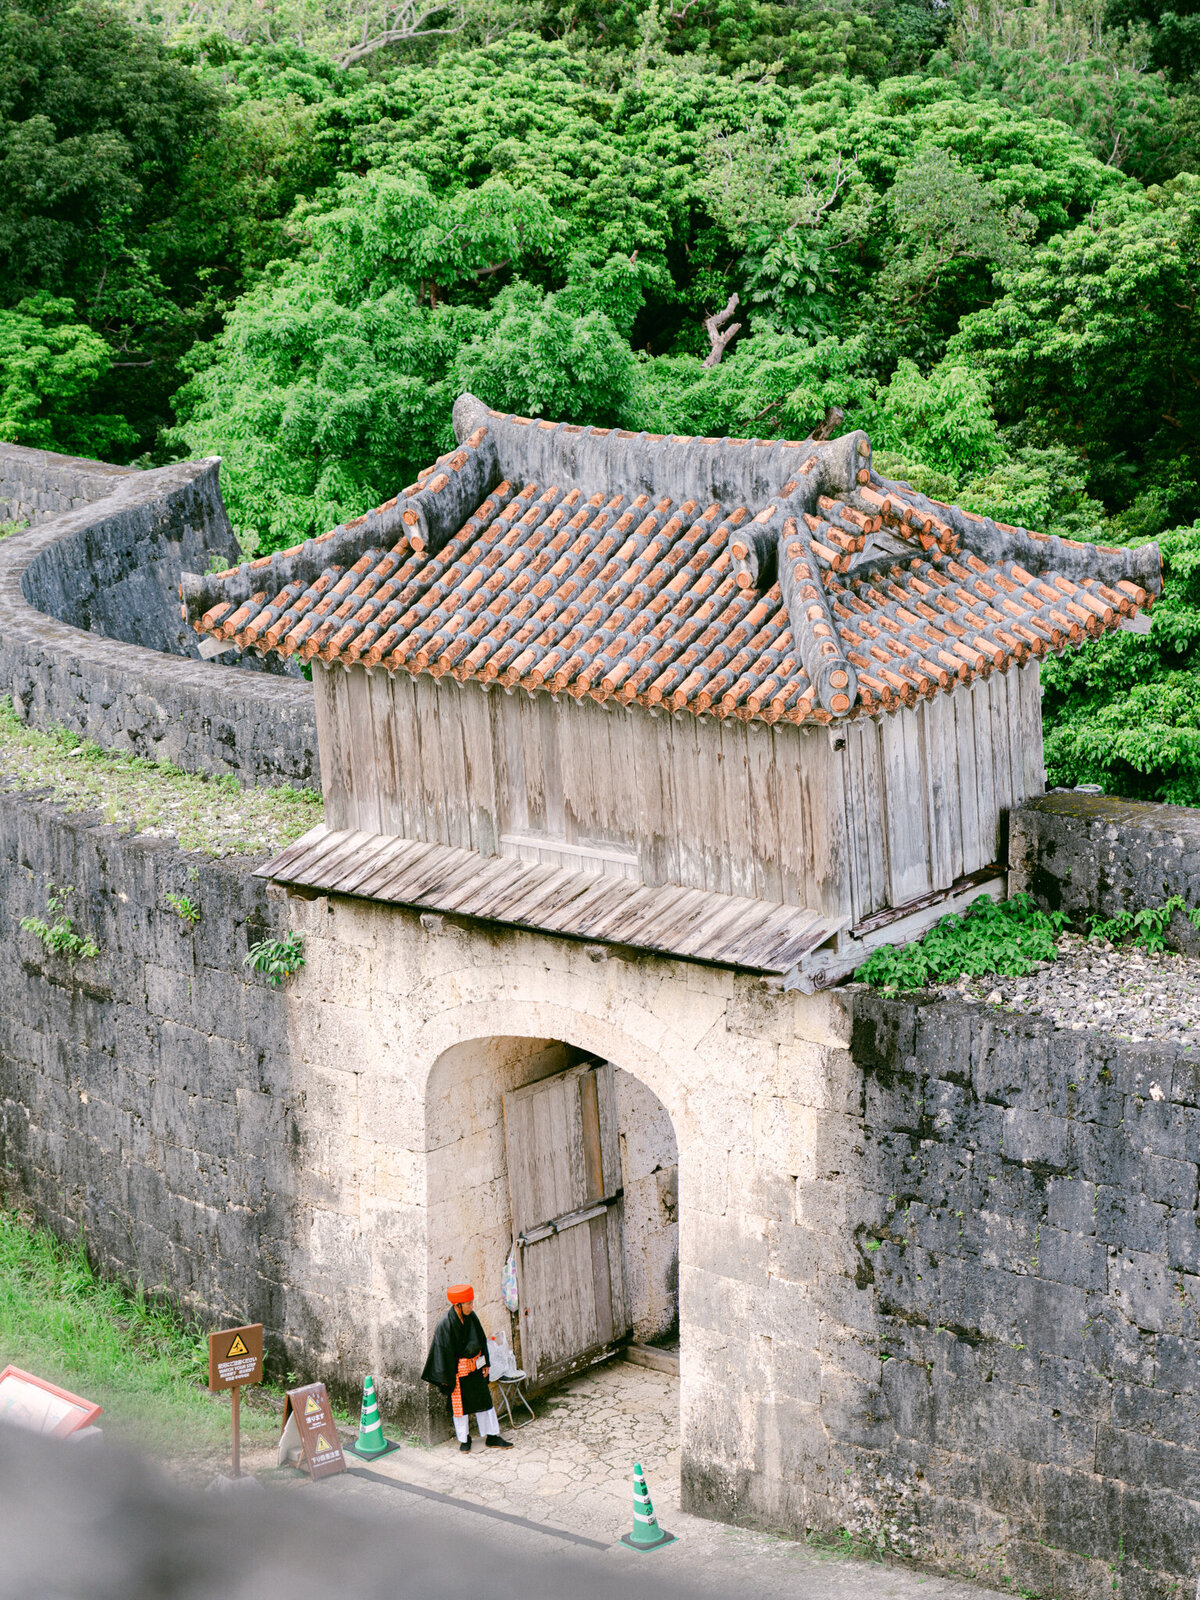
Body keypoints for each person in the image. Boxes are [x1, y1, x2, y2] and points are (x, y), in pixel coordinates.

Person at [421, 1284, 513, 1452]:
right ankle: (464, 1439)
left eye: (471, 1303)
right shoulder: (445, 1324)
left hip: (475, 1367)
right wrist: (446, 1379)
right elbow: (441, 1352)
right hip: (456, 1372)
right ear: (457, 1305)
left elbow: (481, 1340)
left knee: (485, 1402)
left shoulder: (471, 1317)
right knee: (460, 1408)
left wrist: (485, 1363)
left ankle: (492, 1436)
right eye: (468, 1304)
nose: (472, 1306)